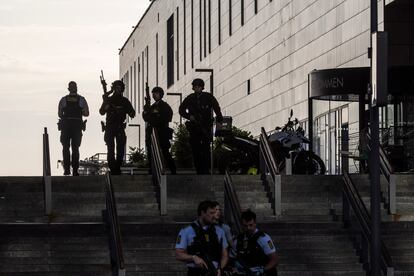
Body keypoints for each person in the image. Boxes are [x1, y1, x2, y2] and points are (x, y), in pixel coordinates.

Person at [179, 78, 223, 174]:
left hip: (205, 126)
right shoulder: (190, 98)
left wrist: (219, 119)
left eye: (199, 86)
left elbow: (216, 108)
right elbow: (181, 110)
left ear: (202, 87)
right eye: (195, 87)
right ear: (193, 88)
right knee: (196, 149)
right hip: (194, 127)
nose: (197, 88)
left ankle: (205, 169)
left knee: (206, 148)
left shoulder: (208, 97)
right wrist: (189, 116)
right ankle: (199, 169)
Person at [176, 200, 229, 276]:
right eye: (211, 213)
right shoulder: (187, 231)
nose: (214, 216)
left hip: (215, 272)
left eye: (214, 213)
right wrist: (193, 258)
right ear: (202, 213)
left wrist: (220, 269)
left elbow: (225, 255)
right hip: (195, 272)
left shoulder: (219, 231)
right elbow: (178, 254)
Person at [99, 80, 135, 175]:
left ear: (122, 89)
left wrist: (127, 111)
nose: (118, 90)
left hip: (119, 127)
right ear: (114, 88)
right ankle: (113, 168)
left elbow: (132, 113)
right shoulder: (109, 99)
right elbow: (101, 111)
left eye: (120, 88)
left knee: (120, 149)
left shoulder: (125, 101)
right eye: (116, 88)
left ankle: (117, 167)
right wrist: (106, 106)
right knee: (110, 149)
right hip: (110, 127)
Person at [142, 86, 176, 174]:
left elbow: (167, 117)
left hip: (161, 131)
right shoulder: (152, 106)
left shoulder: (164, 106)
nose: (154, 95)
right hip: (152, 132)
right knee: (150, 151)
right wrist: (146, 109)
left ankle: (173, 170)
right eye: (153, 93)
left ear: (160, 94)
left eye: (156, 93)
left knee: (165, 151)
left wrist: (156, 118)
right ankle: (152, 169)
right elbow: (146, 118)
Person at [58, 81, 89, 176]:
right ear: (76, 88)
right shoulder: (81, 99)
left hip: (66, 127)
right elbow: (86, 113)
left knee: (65, 148)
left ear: (68, 89)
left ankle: (67, 169)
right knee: (75, 148)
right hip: (77, 127)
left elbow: (59, 114)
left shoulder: (63, 100)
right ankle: (75, 170)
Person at [234, 210, 278, 276]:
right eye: (245, 226)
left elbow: (275, 260)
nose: (248, 228)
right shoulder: (240, 239)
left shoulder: (264, 238)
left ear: (255, 223)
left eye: (251, 225)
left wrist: (263, 269)